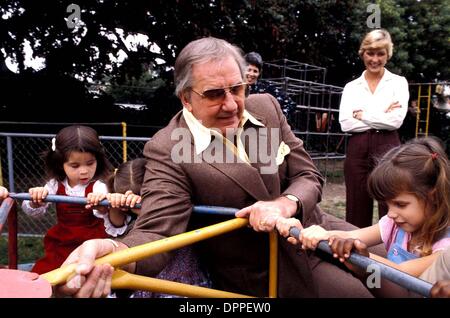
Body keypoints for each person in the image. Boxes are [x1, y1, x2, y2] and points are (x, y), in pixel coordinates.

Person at [56, 37, 383, 298]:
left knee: (403, 274)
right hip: (268, 270)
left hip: (318, 229)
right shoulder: (169, 147)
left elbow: (306, 175)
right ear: (186, 98)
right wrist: (115, 249)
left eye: (237, 88)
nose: (231, 105)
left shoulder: (265, 109)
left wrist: (285, 204)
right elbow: (157, 230)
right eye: (214, 94)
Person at [277, 137, 450, 297]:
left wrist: (361, 258)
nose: (391, 213)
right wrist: (315, 235)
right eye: (387, 204)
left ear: (433, 196)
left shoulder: (445, 248)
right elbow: (351, 236)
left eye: (400, 204)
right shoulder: (394, 225)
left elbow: (399, 274)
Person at [103, 158, 212, 298]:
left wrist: (150, 204)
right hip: (149, 280)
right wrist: (114, 201)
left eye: (146, 197)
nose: (139, 204)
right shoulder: (129, 218)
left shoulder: (177, 202)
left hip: (182, 277)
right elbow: (116, 224)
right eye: (134, 203)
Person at [22, 125, 118, 274]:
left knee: (88, 276)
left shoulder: (99, 187)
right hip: (63, 242)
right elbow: (33, 211)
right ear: (60, 164)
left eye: (90, 163)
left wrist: (102, 204)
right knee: (43, 275)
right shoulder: (55, 185)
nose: (84, 171)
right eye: (75, 165)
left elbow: (110, 215)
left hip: (92, 243)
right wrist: (35, 199)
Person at [339, 29, 409, 228]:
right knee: (356, 205)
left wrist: (363, 114)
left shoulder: (398, 83)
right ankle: (353, 253)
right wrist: (381, 114)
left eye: (381, 54)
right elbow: (345, 123)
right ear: (363, 53)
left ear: (388, 55)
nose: (375, 59)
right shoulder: (352, 87)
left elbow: (395, 121)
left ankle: (391, 253)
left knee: (391, 204)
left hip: (388, 146)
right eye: (370, 53)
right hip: (357, 148)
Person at [244, 51, 297, 125]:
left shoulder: (267, 88)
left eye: (255, 71)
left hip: (261, 132)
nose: (251, 74)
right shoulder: (235, 88)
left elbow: (290, 104)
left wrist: (277, 122)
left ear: (259, 73)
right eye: (249, 70)